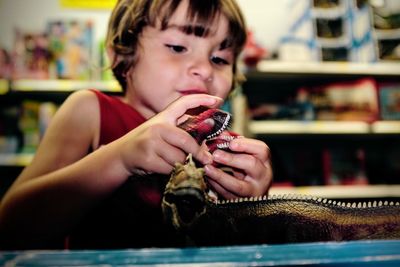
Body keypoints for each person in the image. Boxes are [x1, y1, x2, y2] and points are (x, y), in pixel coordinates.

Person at [0, 0, 273, 249]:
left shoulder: (228, 148)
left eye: (219, 59)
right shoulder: (90, 112)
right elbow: (12, 229)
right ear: (122, 55)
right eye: (177, 47)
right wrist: (119, 159)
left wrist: (253, 206)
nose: (204, 69)